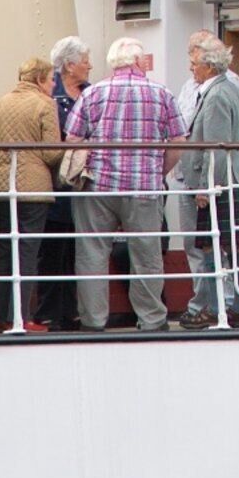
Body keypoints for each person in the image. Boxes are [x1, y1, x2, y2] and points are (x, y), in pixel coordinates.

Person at [68, 37, 181, 331]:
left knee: (92, 253)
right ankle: (152, 320)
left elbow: (72, 139)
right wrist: (159, 173)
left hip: (99, 187)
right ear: (138, 61)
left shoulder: (93, 93)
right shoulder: (161, 93)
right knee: (146, 254)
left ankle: (93, 321)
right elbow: (179, 141)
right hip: (144, 186)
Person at [0, 58, 68, 333]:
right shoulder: (45, 104)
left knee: (6, 252)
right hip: (33, 188)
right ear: (40, 80)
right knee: (28, 251)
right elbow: (51, 152)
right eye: (51, 79)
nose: (54, 84)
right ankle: (20, 317)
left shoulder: (2, 101)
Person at [178, 34, 239, 328]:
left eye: (194, 63)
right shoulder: (228, 89)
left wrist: (206, 188)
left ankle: (215, 307)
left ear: (209, 66)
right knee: (234, 245)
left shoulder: (217, 94)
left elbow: (216, 146)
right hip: (233, 180)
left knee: (212, 245)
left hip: (219, 183)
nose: (191, 68)